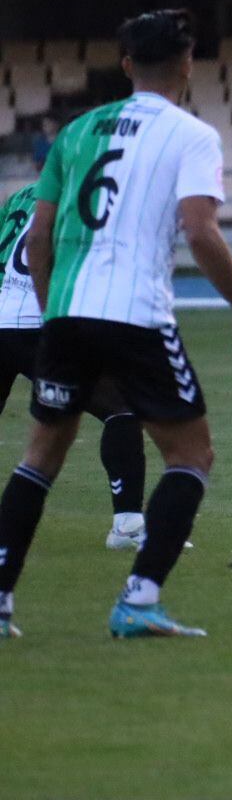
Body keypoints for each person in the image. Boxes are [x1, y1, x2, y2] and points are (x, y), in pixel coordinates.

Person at [0, 9, 232, 641]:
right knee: (191, 454)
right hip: (136, 315)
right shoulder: (191, 136)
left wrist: (55, 307)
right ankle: (139, 599)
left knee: (41, 455)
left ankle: (1, 600)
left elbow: (40, 238)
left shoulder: (76, 132)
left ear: (125, 65)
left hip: (64, 312)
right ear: (187, 64)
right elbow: (201, 230)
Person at [0, 182, 153, 552]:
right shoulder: (85, 197)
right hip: (38, 322)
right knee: (121, 407)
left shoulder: (21, 196)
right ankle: (127, 525)